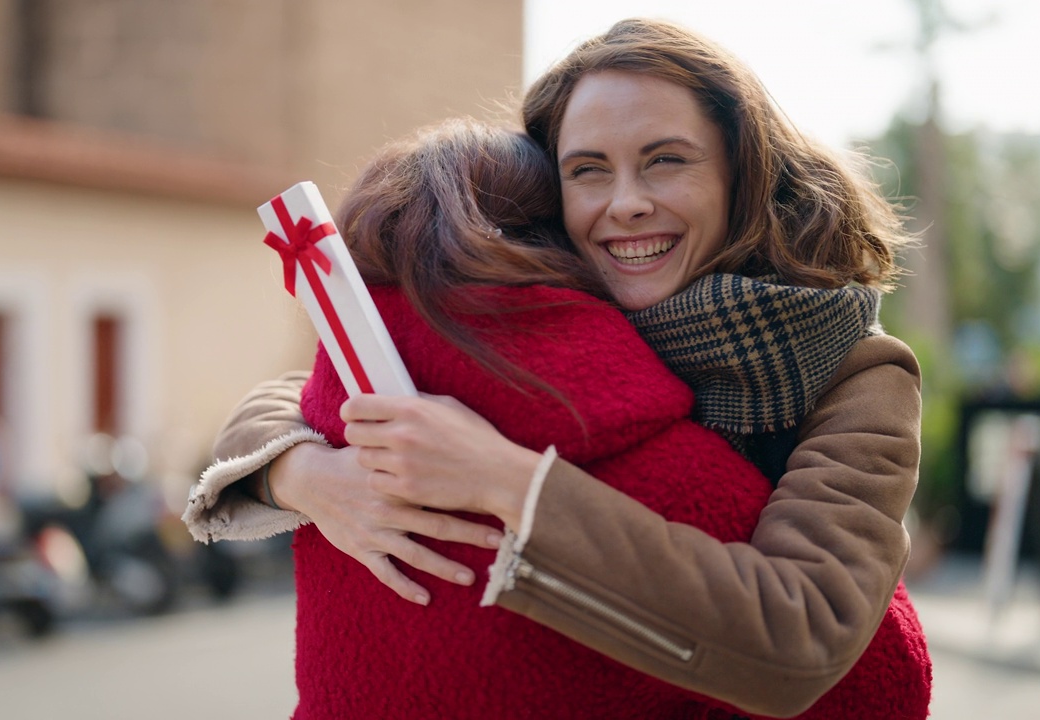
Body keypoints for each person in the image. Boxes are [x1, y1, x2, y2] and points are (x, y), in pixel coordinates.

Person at [186, 18, 929, 719]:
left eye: (665, 160)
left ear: (743, 174)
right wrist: (308, 476)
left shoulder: (852, 368)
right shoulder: (563, 314)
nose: (627, 204)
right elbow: (283, 398)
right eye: (588, 171)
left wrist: (504, 480)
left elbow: (802, 634)